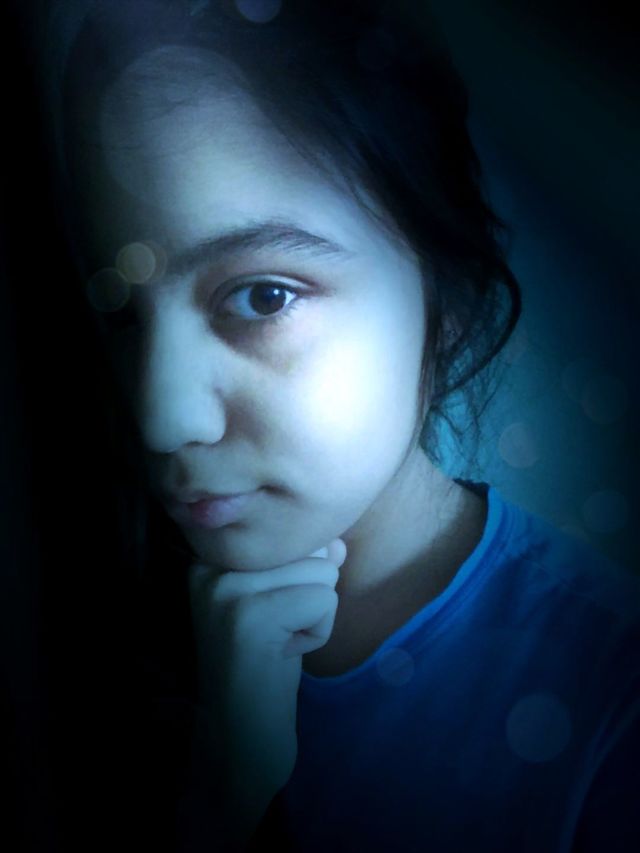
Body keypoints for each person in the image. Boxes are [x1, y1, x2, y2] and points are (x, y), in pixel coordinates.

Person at [28, 0, 639, 850]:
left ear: (445, 296)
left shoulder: (612, 703)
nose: (162, 418)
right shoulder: (77, 635)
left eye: (262, 296)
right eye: (123, 312)